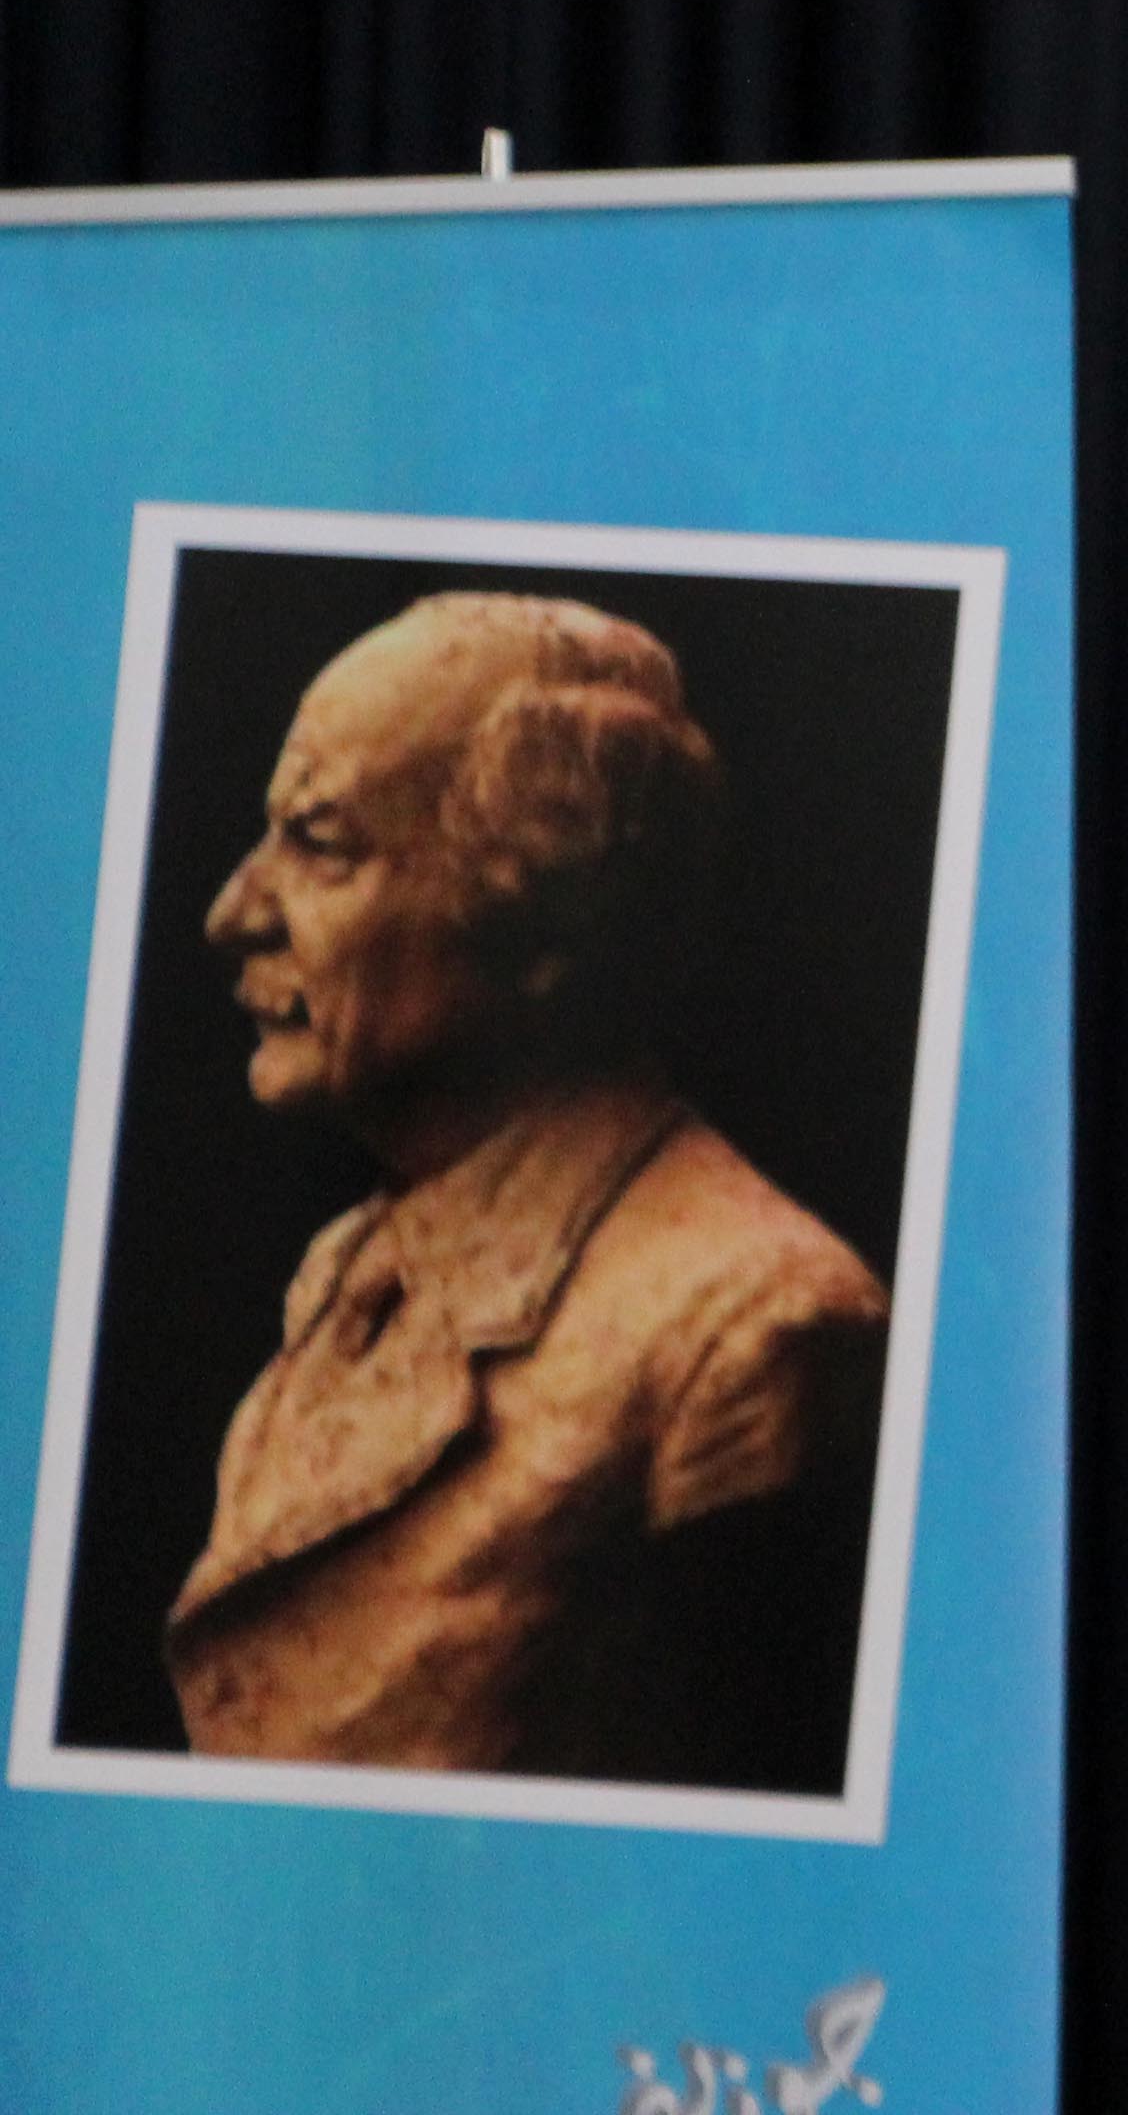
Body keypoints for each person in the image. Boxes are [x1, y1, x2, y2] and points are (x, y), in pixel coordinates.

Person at [164, 592, 888, 1790]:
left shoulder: (755, 1331)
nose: (232, 912)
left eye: (322, 842)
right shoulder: (346, 1269)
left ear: (550, 918)